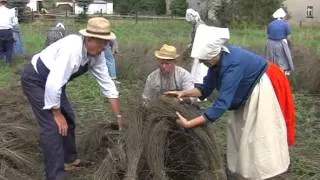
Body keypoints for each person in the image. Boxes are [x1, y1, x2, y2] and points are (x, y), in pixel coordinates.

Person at [165, 24, 294, 179]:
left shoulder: (232, 65)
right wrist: (183, 93)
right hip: (246, 92)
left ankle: (267, 172)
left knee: (259, 133)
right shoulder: (216, 62)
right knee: (240, 130)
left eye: (204, 60)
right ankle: (246, 171)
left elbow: (221, 104)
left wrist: (189, 124)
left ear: (213, 55)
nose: (202, 63)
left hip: (260, 88)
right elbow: (205, 88)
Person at [20, 17, 124, 180]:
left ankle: (69, 160)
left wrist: (118, 115)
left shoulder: (97, 55)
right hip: (36, 80)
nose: (104, 47)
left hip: (55, 82)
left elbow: (108, 85)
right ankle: (55, 175)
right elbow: (53, 83)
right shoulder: (72, 50)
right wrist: (56, 113)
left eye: (106, 43)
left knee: (69, 119)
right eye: (101, 42)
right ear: (89, 38)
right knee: (53, 127)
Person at [266, 8, 294, 75]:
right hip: (280, 43)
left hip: (270, 44)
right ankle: (284, 72)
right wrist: (290, 44)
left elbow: (268, 34)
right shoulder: (285, 24)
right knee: (283, 58)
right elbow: (288, 37)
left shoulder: (270, 24)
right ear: (282, 17)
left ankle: (271, 71)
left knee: (271, 59)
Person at [185, 8, 208, 86]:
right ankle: (194, 83)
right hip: (198, 50)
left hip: (201, 51)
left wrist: (192, 45)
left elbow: (201, 39)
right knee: (196, 68)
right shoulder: (196, 25)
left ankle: (200, 84)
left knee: (200, 69)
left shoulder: (200, 25)